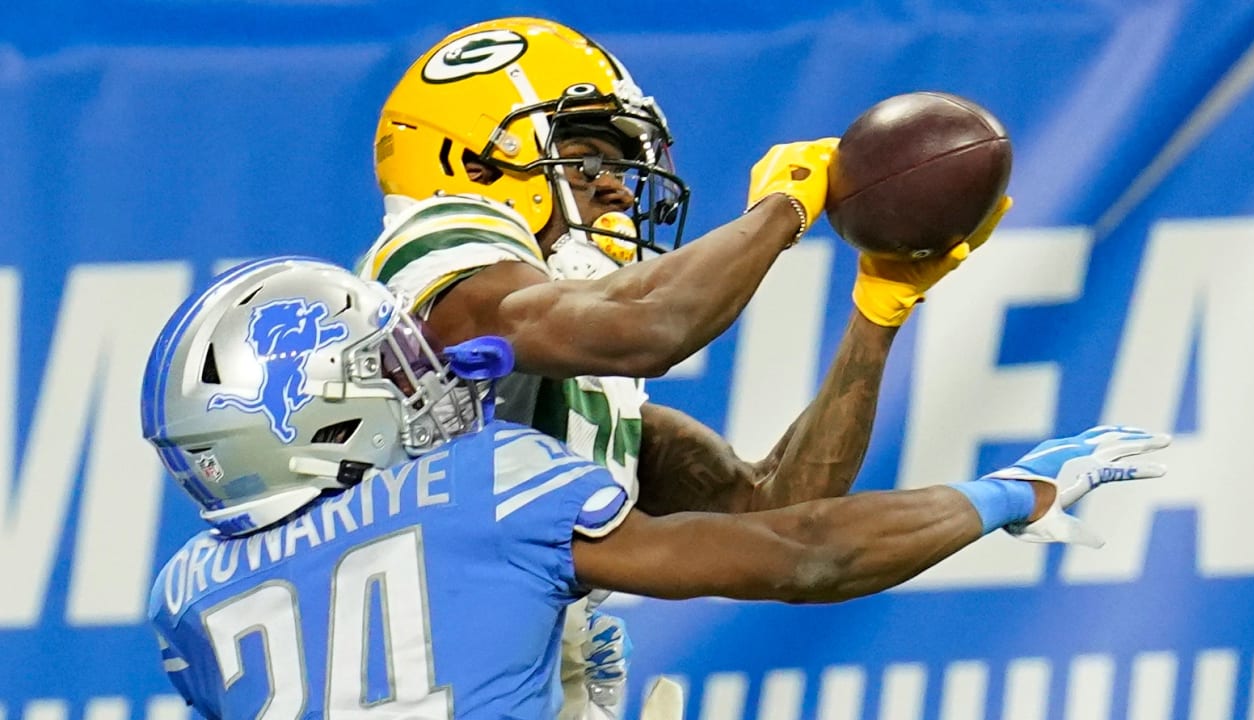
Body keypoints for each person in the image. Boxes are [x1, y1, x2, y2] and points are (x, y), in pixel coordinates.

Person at [143, 257, 1169, 720]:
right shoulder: (486, 484)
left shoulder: (186, 593)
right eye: (389, 366)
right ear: (306, 414)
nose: (426, 379)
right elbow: (798, 552)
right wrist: (1005, 495)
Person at [358, 17, 1013, 716]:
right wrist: (784, 208)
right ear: (476, 166)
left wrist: (877, 314)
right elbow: (651, 327)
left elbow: (777, 512)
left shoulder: (570, 385)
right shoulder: (433, 252)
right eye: (586, 159)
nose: (617, 190)